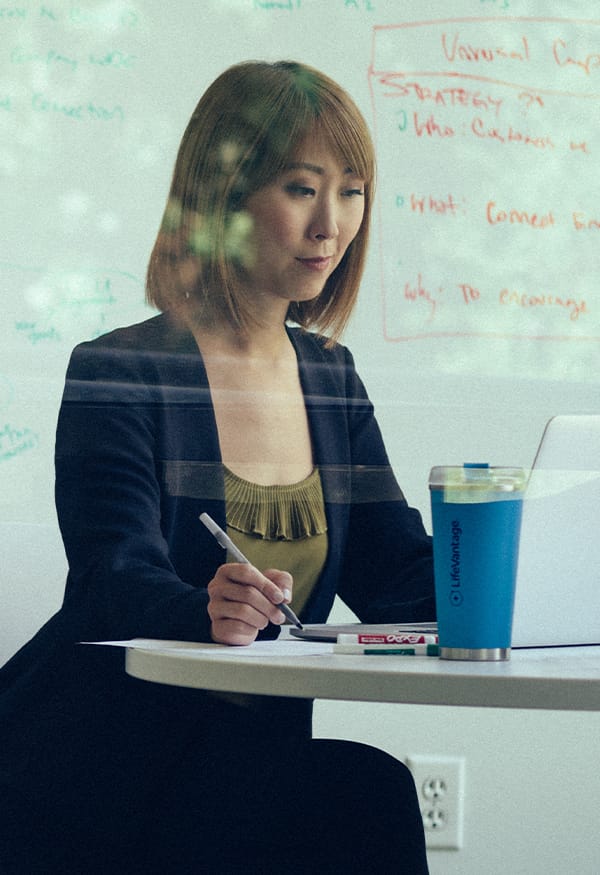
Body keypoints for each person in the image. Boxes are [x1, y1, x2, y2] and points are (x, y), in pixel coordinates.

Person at [0, 60, 435, 874]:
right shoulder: (119, 369)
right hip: (101, 763)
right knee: (360, 800)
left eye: (352, 190)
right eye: (303, 188)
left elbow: (396, 573)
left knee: (368, 791)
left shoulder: (329, 376)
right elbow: (110, 575)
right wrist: (205, 604)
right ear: (225, 198)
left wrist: (509, 581)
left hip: (246, 762)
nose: (331, 225)